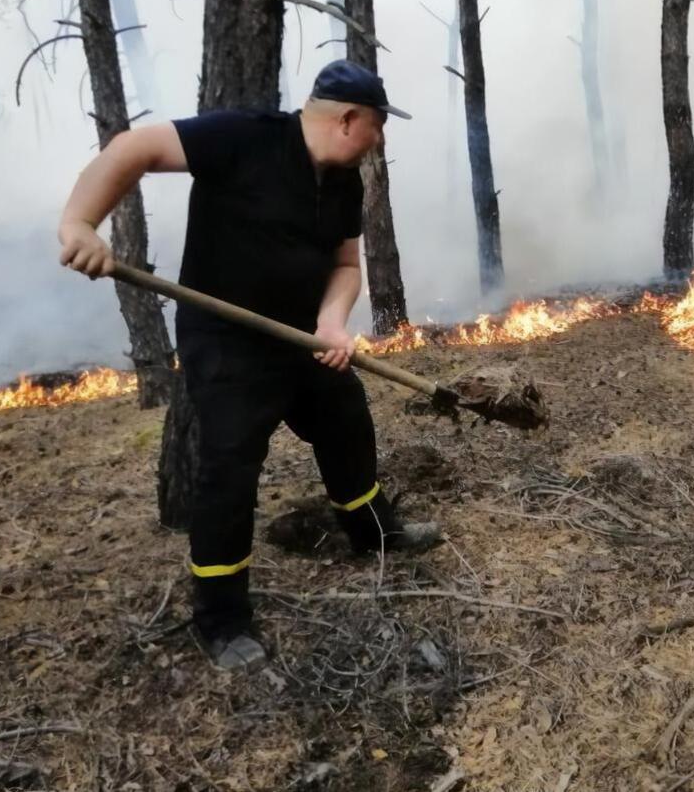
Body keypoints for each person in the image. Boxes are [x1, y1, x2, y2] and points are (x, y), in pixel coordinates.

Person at [57, 60, 441, 670]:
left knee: (348, 426)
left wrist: (332, 324)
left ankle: (374, 534)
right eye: (378, 126)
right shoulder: (245, 137)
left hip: (304, 338)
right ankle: (221, 616)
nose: (381, 140)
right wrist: (81, 223)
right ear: (348, 119)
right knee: (230, 471)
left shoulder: (344, 182)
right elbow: (133, 147)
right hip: (229, 343)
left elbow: (345, 266)